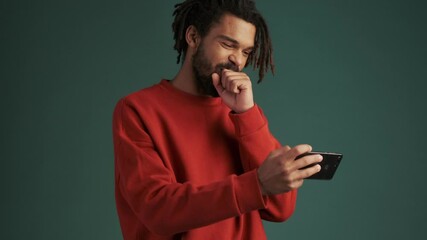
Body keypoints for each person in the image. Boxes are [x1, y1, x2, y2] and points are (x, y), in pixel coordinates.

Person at [112, 0, 323, 239]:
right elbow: (158, 210)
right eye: (227, 44)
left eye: (246, 52)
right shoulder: (137, 109)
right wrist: (256, 185)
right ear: (193, 37)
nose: (238, 61)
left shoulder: (244, 114)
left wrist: (247, 114)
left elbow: (280, 208)